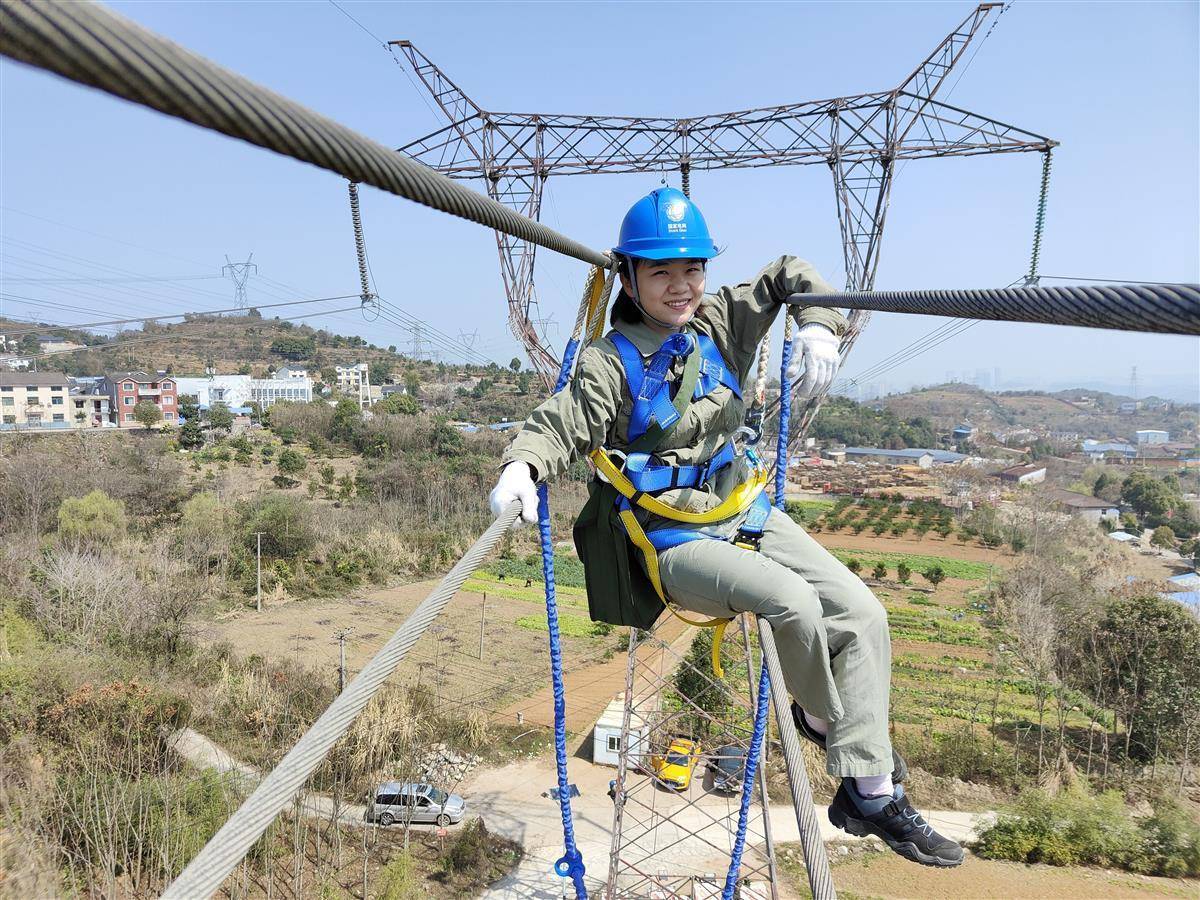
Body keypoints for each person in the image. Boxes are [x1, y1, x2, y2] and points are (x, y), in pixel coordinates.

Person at [489, 187, 963, 868]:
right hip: (669, 537)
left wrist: (819, 322)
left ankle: (862, 784)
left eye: (693, 268)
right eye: (660, 271)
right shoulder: (609, 362)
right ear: (628, 276)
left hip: (739, 508)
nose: (681, 285)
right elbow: (562, 421)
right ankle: (851, 756)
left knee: (864, 614)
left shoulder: (718, 325)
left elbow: (787, 273)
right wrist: (523, 464)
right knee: (792, 602)